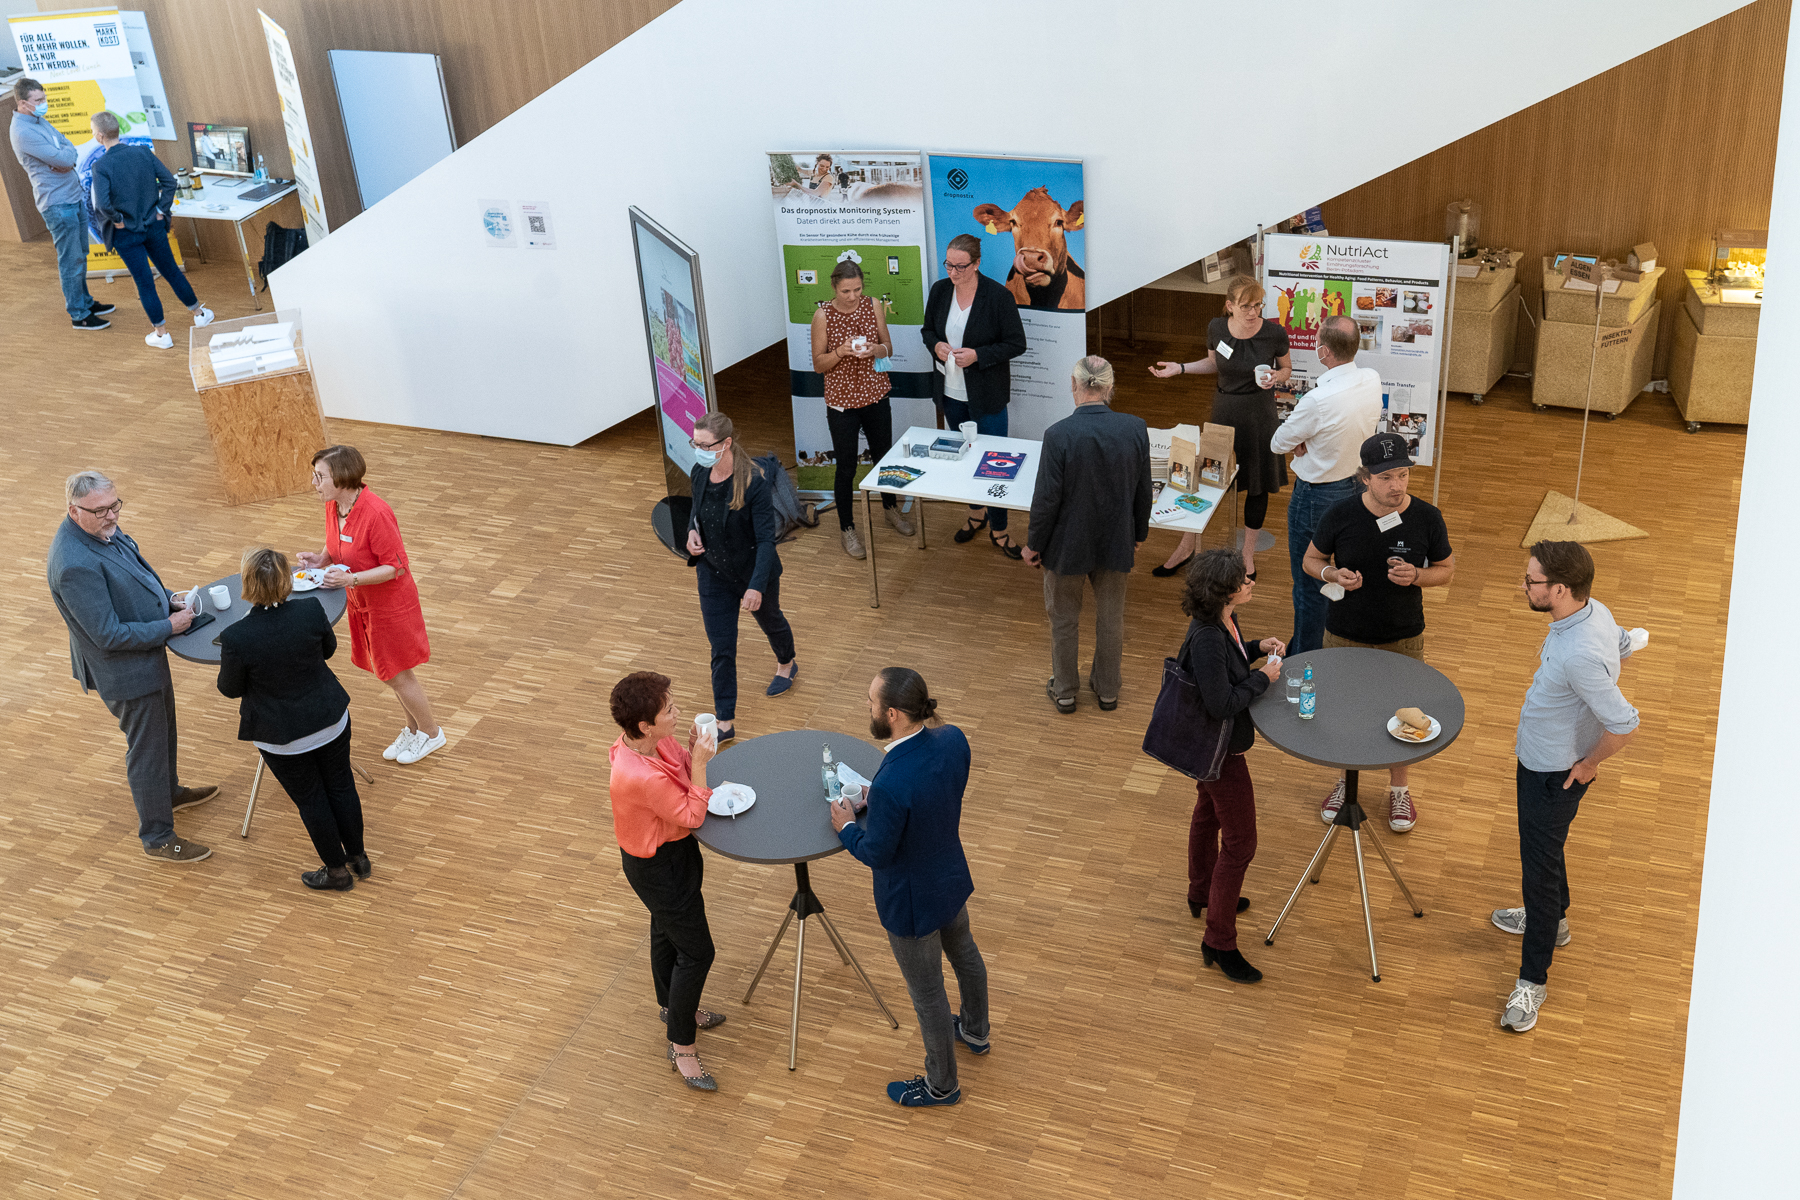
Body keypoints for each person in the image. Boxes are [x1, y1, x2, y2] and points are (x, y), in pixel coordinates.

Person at [1493, 542, 1640, 1034]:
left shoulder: (1579, 655)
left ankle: (1532, 981)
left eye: (1532, 581)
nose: (1524, 585)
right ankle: (1555, 922)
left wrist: (1590, 764)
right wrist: (1629, 643)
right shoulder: (1595, 611)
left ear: (1560, 590)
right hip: (1541, 760)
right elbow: (1619, 641)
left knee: (1537, 874)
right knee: (1546, 852)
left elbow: (1623, 722)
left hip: (1552, 774)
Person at [829, 668, 989, 1107]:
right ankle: (976, 1030)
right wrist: (877, 797)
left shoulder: (893, 782)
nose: (868, 708)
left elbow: (877, 853)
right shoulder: (954, 739)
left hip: (911, 906)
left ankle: (942, 1085)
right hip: (950, 879)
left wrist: (847, 827)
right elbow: (935, 793)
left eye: (872, 703)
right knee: (966, 955)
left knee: (929, 996)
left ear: (893, 714)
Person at [46, 470, 217, 863]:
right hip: (126, 672)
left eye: (114, 505)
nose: (112, 516)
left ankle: (170, 793)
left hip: (147, 655)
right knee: (147, 750)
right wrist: (167, 626)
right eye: (101, 510)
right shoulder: (73, 564)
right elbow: (107, 634)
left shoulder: (100, 529)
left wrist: (165, 601)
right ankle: (157, 837)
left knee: (165, 731)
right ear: (75, 512)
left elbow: (134, 572)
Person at [1301, 433, 1455, 833]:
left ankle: (1399, 790)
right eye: (1386, 477)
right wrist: (1332, 573)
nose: (1397, 486)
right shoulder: (1340, 515)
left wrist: (1419, 576)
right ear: (1364, 478)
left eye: (1403, 474)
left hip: (1402, 635)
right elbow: (1311, 560)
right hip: (1345, 634)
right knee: (1345, 711)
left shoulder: (1427, 517)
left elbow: (1447, 569)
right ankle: (1344, 784)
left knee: (1406, 713)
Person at [217, 547, 369, 892]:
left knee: (312, 799)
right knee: (342, 785)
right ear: (287, 580)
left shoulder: (236, 638)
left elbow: (229, 689)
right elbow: (327, 650)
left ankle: (337, 872)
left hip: (283, 737)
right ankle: (358, 857)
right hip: (331, 719)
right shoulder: (311, 610)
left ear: (247, 585)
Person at [609, 671, 725, 1089]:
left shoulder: (648, 744)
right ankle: (682, 1045)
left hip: (668, 853)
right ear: (644, 725)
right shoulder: (641, 775)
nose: (677, 714)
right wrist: (702, 766)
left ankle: (671, 1005)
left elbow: (677, 762)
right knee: (697, 952)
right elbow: (693, 815)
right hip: (659, 866)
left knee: (666, 931)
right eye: (669, 710)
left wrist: (692, 754)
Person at [296, 446, 446, 765]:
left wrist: (350, 580)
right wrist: (322, 558)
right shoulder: (335, 505)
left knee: (397, 674)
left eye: (320, 476)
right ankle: (413, 728)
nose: (314, 482)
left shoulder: (376, 513)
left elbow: (395, 567)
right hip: (361, 602)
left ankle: (432, 733)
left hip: (390, 606)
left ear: (342, 478)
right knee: (388, 672)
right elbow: (337, 539)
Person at [1022, 357, 1152, 714]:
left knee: (1064, 620)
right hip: (1116, 539)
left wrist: (1034, 544)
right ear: (1110, 388)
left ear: (1074, 385)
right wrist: (1138, 533)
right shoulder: (1136, 428)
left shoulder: (1059, 434)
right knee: (1111, 619)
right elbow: (1144, 492)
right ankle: (1108, 690)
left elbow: (1046, 499)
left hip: (1066, 547)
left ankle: (1064, 691)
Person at [1179, 549, 1284, 983]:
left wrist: (1259, 648)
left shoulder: (1224, 620)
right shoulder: (1206, 637)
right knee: (1241, 844)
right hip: (1221, 751)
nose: (1251, 582)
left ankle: (1201, 891)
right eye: (1244, 580)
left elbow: (1231, 659)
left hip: (1208, 750)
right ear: (1225, 592)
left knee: (1207, 814)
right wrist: (1265, 677)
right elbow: (1221, 702)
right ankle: (1218, 941)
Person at [1149, 275, 1293, 578]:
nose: (1253, 312)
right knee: (1208, 480)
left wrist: (1277, 379)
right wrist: (1182, 368)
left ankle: (1247, 554)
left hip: (1260, 415)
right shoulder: (1216, 328)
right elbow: (1215, 363)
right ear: (1229, 305)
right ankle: (1186, 546)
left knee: (1257, 486)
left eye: (1257, 305)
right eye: (1245, 306)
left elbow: (1286, 368)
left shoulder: (1274, 333)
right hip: (1224, 412)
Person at [1269, 314, 1382, 654]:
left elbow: (1277, 442)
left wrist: (1304, 442)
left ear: (1323, 352)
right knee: (1344, 571)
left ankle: (1304, 660)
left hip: (1317, 497)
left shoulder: (1317, 401)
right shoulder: (1372, 379)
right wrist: (1310, 440)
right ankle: (1328, 644)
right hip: (1359, 490)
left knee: (1309, 583)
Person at [684, 412, 798, 742]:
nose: (699, 450)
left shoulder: (754, 483)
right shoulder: (699, 471)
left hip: (753, 572)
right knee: (721, 649)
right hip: (713, 573)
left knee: (771, 619)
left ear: (726, 443)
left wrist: (756, 586)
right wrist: (692, 532)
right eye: (696, 443)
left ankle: (787, 662)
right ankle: (724, 722)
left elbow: (766, 540)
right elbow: (697, 512)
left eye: (705, 445)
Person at [921, 233, 1028, 558]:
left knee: (996, 463)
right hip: (951, 394)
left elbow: (1016, 343)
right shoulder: (940, 290)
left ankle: (1001, 530)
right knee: (965, 458)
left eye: (960, 267)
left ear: (977, 263)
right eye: (949, 265)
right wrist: (936, 345)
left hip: (987, 394)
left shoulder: (997, 296)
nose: (953, 273)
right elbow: (927, 330)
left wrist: (979, 355)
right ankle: (976, 513)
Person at [87, 111, 213, 350]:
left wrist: (117, 220)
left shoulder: (100, 166)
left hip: (126, 234)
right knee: (172, 272)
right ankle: (199, 314)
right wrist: (161, 210)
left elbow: (102, 204)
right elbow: (169, 181)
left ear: (100, 136)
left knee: (144, 283)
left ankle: (161, 334)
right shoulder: (143, 153)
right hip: (153, 226)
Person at [811, 259, 911, 558]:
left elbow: (887, 348)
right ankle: (847, 528)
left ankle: (891, 508)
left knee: (884, 458)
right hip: (841, 402)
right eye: (845, 291)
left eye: (856, 289)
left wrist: (875, 350)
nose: (852, 296)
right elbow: (818, 365)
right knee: (846, 467)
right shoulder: (822, 315)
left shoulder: (873, 306)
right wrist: (840, 351)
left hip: (876, 395)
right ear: (834, 287)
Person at [9, 78, 114, 330]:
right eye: (38, 101)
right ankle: (79, 313)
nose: (43, 104)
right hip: (57, 203)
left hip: (72, 196)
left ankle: (85, 301)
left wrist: (64, 157)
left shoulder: (38, 120)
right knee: (71, 260)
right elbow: (65, 158)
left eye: (43, 99)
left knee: (81, 254)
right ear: (23, 103)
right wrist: (63, 158)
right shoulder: (23, 131)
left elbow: (68, 146)